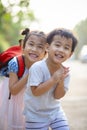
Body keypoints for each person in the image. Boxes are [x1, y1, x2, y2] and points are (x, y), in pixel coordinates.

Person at [23, 28, 78, 130]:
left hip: (55, 112)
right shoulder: (37, 67)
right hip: (35, 114)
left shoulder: (65, 73)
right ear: (47, 47)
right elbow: (35, 92)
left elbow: (57, 96)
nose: (61, 50)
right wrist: (53, 79)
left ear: (70, 54)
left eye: (66, 48)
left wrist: (60, 82)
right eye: (57, 45)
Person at [0, 28, 48, 130]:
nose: (34, 49)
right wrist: (30, 73)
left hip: (30, 102)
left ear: (45, 52)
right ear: (23, 47)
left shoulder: (44, 67)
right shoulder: (15, 63)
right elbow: (13, 90)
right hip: (13, 101)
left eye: (40, 47)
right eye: (31, 44)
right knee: (14, 125)